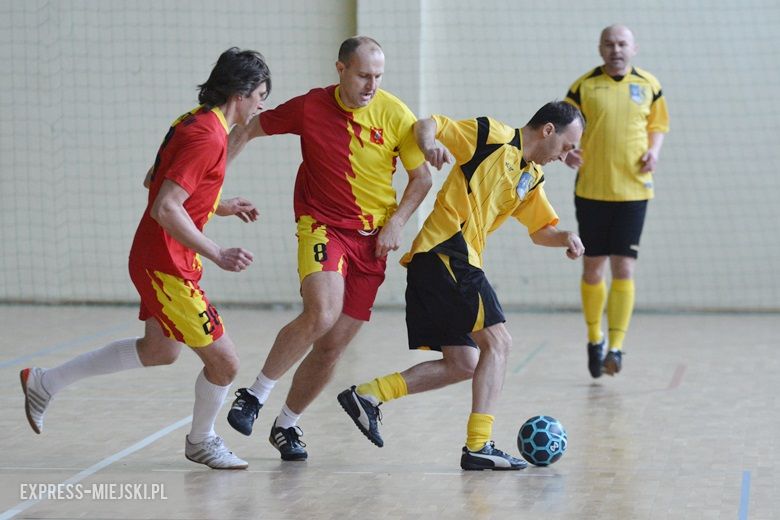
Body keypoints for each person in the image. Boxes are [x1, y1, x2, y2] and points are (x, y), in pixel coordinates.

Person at [19, 47, 272, 470]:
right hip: (165, 265)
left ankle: (45, 383)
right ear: (241, 92)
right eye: (261, 93)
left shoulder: (190, 121)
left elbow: (154, 182)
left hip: (159, 257)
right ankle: (201, 440)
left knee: (159, 351)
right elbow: (166, 207)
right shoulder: (208, 137)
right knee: (226, 363)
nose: (262, 103)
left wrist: (218, 204)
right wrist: (218, 252)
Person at [337, 101, 585, 470]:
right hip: (447, 251)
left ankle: (368, 396)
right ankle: (479, 446)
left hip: (444, 262)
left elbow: (540, 231)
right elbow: (429, 124)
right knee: (498, 342)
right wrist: (428, 144)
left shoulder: (531, 176)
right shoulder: (491, 135)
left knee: (464, 362)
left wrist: (565, 236)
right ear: (549, 130)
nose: (567, 156)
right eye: (567, 146)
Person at [225, 36, 432, 461]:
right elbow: (248, 128)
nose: (372, 85)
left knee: (333, 345)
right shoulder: (310, 107)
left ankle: (286, 425)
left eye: (378, 76)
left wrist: (396, 223)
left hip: (373, 241)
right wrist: (206, 177)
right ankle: (254, 394)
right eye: (363, 75)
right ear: (340, 69)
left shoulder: (395, 114)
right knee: (321, 312)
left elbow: (422, 178)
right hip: (323, 226)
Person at [563, 25, 670, 378]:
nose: (616, 49)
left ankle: (617, 347)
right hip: (592, 191)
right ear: (600, 49)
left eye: (622, 43)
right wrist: (567, 153)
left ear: (634, 48)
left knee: (624, 267)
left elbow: (658, 126)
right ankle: (594, 338)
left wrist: (653, 152)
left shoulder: (649, 85)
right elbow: (562, 128)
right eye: (609, 44)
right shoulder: (583, 86)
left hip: (634, 192)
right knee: (593, 268)